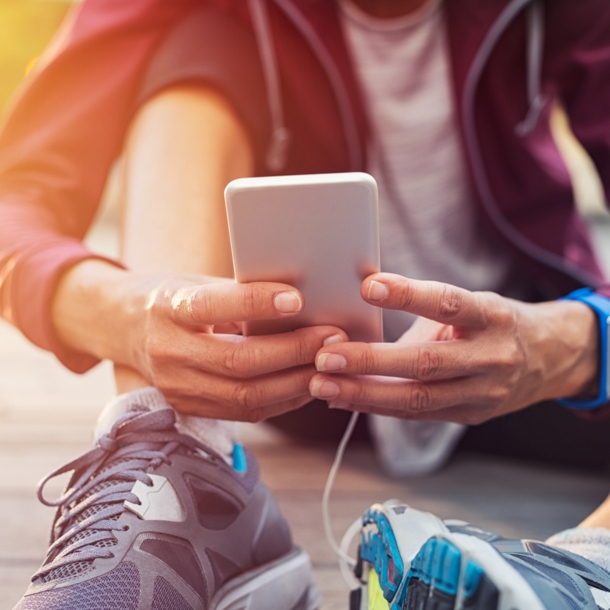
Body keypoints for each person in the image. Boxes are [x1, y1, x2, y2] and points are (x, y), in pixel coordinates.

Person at [1, 0, 610, 608]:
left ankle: (579, 572)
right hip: (290, 373)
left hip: (528, 365)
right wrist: (120, 312)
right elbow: (15, 196)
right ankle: (175, 462)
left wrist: (575, 343)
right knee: (198, 41)